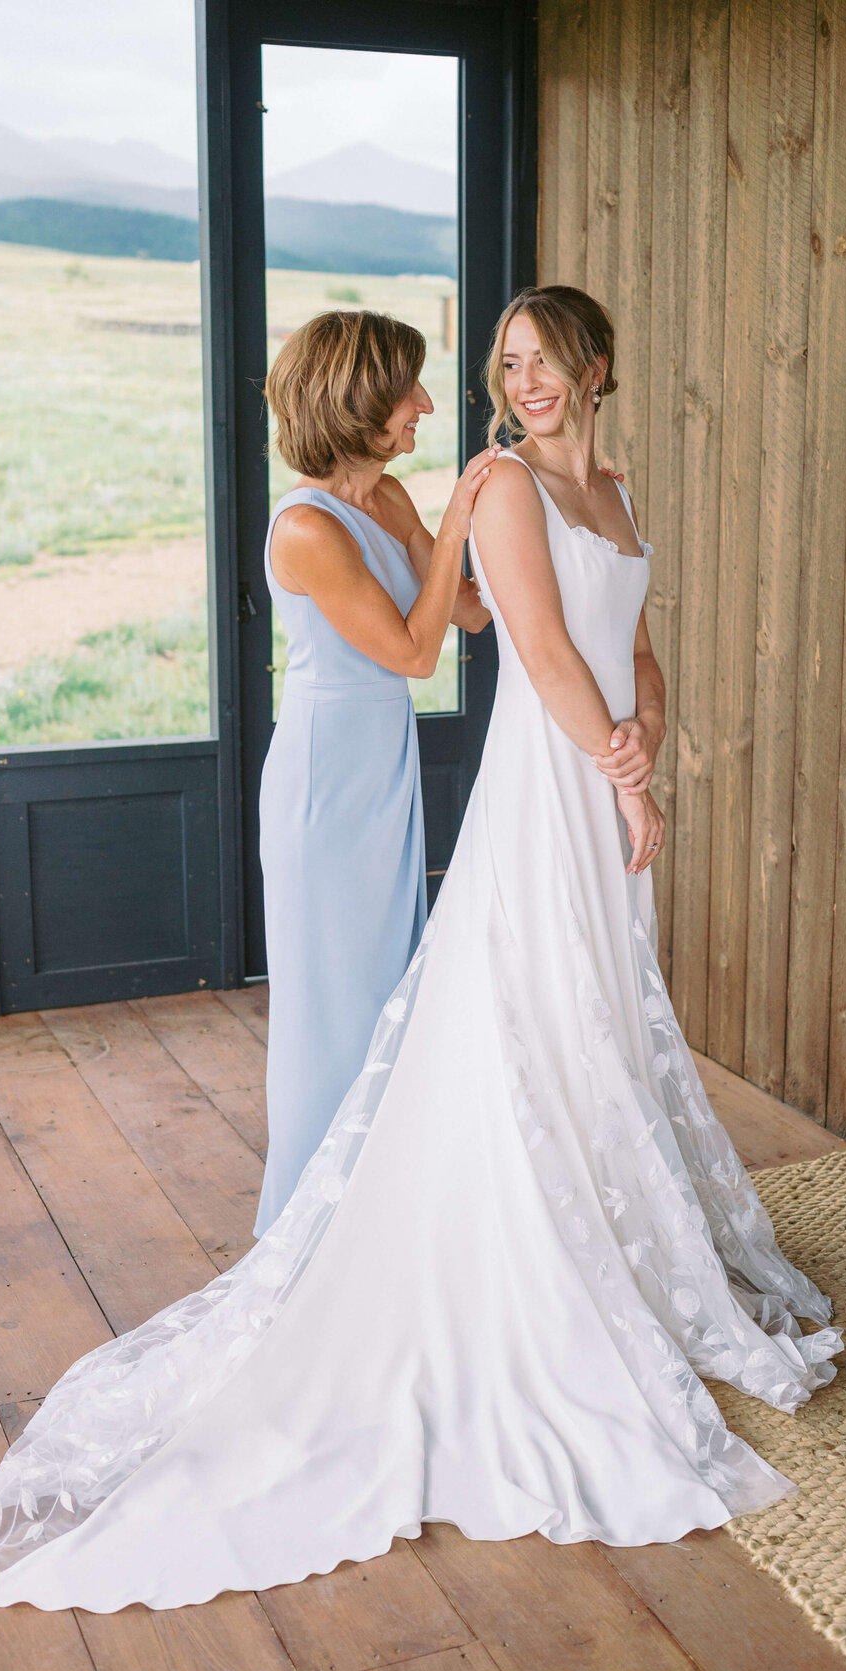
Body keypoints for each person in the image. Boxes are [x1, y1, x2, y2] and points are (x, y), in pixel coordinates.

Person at [0, 284, 842, 1612]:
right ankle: (314, 1241)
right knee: (359, 1018)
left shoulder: (514, 495)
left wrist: (632, 718)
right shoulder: (332, 523)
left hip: (434, 779)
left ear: (591, 369)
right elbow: (450, 645)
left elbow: (547, 628)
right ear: (366, 403)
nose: (471, 394)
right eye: (469, 373)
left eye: (519, 362)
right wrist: (486, 531)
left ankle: (476, 1202)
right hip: (344, 786)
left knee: (467, 1014)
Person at [253, 309, 492, 1235]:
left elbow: (466, 613)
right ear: (358, 400)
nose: (426, 405)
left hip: (382, 769)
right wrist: (459, 522)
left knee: (393, 992)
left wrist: (545, 507)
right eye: (409, 392)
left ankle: (385, 1221)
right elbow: (413, 652)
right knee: (332, 1012)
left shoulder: (387, 499)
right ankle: (310, 1230)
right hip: (324, 786)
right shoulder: (308, 529)